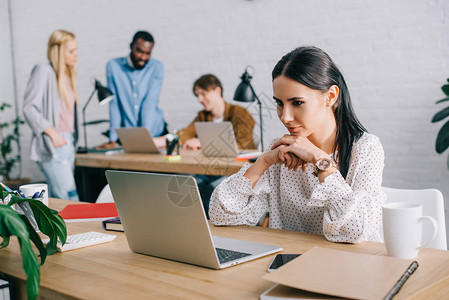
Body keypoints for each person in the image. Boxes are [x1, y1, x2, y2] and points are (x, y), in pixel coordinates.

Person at [209, 46, 386, 243]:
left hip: (351, 267)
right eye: (279, 103)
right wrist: (263, 162)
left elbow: (354, 230)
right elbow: (221, 216)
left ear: (331, 96)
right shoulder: (280, 152)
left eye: (297, 103)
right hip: (288, 266)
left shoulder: (365, 149)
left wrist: (321, 161)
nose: (285, 117)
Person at [178, 74, 256, 217]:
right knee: (187, 183)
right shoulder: (202, 116)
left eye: (203, 93)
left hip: (235, 169)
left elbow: (243, 144)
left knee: (212, 189)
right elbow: (185, 133)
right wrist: (189, 140)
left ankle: (214, 229)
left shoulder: (240, 113)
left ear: (217, 91)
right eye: (197, 95)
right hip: (211, 169)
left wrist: (203, 143)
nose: (200, 99)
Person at [23, 29, 80, 201]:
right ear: (58, 52)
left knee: (61, 198)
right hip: (54, 145)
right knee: (70, 198)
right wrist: (53, 133)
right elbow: (29, 108)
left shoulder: (66, 76)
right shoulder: (43, 71)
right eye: (71, 51)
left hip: (68, 144)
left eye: (76, 50)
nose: (76, 55)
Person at [99, 31, 167, 149]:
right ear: (131, 46)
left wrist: (145, 139)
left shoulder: (157, 67)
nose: (143, 57)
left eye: (148, 53)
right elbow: (114, 104)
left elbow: (150, 102)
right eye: (139, 51)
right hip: (129, 134)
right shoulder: (113, 66)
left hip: (154, 132)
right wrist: (113, 139)